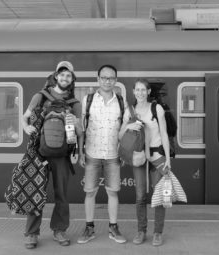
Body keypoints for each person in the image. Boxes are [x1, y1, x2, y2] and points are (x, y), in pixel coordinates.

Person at [21, 61, 82, 248]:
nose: (65, 78)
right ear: (56, 76)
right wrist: (26, 127)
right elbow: (25, 117)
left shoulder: (75, 103)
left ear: (72, 79)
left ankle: (59, 229)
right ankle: (32, 233)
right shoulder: (40, 96)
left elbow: (80, 130)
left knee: (61, 194)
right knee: (36, 191)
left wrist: (75, 122)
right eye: (62, 74)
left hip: (62, 154)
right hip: (39, 152)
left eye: (68, 75)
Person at [77, 64, 127, 244]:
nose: (107, 81)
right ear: (98, 79)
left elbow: (124, 130)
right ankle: (89, 228)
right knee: (90, 192)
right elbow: (82, 129)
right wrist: (81, 152)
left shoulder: (121, 102)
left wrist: (124, 151)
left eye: (111, 78)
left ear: (115, 80)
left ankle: (113, 228)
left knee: (113, 192)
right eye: (104, 77)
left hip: (113, 155)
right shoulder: (88, 100)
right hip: (92, 153)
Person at [119, 78, 171, 246]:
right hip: (139, 155)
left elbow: (164, 134)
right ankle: (141, 231)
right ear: (133, 92)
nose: (140, 92)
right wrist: (128, 127)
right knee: (140, 196)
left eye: (143, 90)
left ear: (148, 92)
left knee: (159, 196)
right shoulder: (130, 110)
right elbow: (120, 135)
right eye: (137, 90)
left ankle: (157, 232)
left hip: (157, 155)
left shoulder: (157, 108)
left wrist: (168, 159)